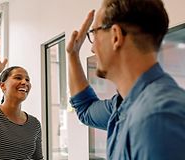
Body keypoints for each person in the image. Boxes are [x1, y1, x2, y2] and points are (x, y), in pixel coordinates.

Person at [66, 0, 185, 159]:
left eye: (94, 33)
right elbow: (86, 110)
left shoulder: (156, 118)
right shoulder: (125, 104)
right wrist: (73, 55)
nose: (93, 48)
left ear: (116, 36)